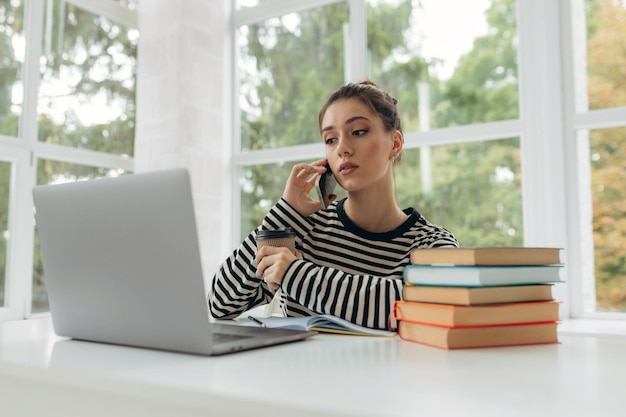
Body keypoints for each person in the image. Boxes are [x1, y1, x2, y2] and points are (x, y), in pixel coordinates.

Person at [209, 80, 458, 330]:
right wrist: (285, 215)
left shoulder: (431, 243)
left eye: (358, 131)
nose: (342, 149)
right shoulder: (305, 229)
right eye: (330, 139)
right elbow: (220, 305)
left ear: (395, 144)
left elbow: (419, 305)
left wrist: (295, 274)